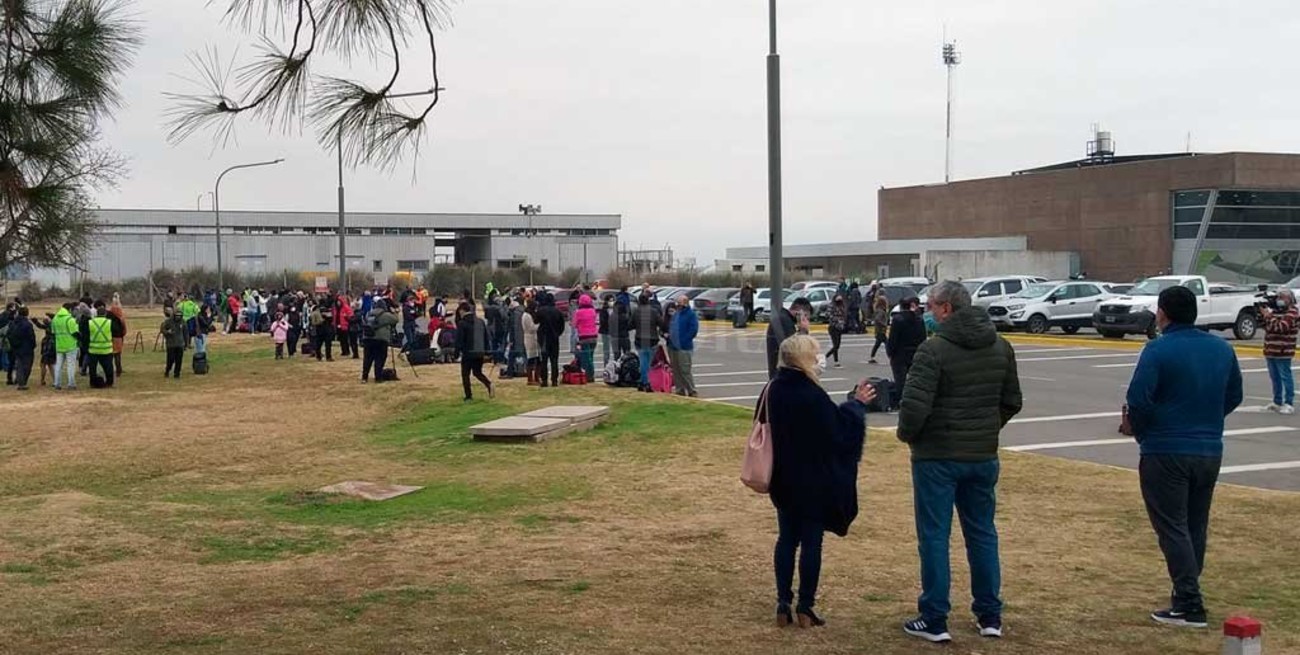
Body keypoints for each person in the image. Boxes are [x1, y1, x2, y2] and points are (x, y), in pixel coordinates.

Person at [896, 280, 1023, 643]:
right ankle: (989, 614)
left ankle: (934, 616)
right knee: (982, 533)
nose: (928, 312)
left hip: (937, 456)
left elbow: (914, 407)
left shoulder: (932, 350)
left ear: (946, 309)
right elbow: (1011, 400)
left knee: (934, 536)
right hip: (981, 455)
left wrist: (909, 435)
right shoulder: (1001, 346)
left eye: (931, 306)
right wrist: (984, 428)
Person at [1125, 285, 1243, 629]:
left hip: (1166, 449)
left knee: (1172, 527)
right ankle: (1185, 594)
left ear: (1164, 313)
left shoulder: (1158, 350)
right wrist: (1208, 420)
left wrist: (1146, 432)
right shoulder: (1221, 349)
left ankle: (1189, 602)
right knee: (1195, 525)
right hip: (1209, 448)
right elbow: (1233, 394)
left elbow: (1139, 400)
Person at [767, 335, 874, 628]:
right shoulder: (812, 395)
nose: (819, 359)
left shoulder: (774, 388)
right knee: (812, 542)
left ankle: (782, 602)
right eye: (815, 354)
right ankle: (805, 605)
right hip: (813, 478)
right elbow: (839, 433)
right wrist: (856, 406)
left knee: (786, 538)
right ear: (804, 359)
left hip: (783, 476)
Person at [1261, 289, 1298, 414]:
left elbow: (1281, 327)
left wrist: (1269, 317)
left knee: (1285, 376)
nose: (1280, 300)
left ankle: (1289, 402)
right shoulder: (1275, 312)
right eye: (1278, 297)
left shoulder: (1293, 312)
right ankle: (1277, 401)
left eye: (1282, 297)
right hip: (1271, 349)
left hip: (1284, 350)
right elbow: (1267, 326)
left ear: (1290, 299)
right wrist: (1264, 316)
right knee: (1274, 378)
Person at [886, 297, 927, 410]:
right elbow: (923, 337)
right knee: (915, 379)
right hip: (915, 353)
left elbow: (893, 339)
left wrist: (890, 352)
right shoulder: (919, 320)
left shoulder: (898, 320)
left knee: (900, 380)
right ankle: (916, 400)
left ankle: (899, 401)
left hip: (900, 354)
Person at [455, 302, 494, 402]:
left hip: (468, 353)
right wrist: (487, 351)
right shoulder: (480, 321)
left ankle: (468, 396)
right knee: (477, 372)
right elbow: (486, 337)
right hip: (479, 351)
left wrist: (456, 353)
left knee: (465, 374)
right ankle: (488, 384)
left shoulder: (462, 323)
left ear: (462, 311)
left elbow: (460, 340)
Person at [766, 297, 813, 378]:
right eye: (805, 316)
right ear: (800, 312)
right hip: (783, 373)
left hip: (779, 371)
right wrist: (804, 330)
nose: (806, 320)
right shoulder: (785, 321)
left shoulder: (783, 318)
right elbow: (796, 348)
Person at [668, 295, 700, 397]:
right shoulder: (676, 314)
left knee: (685, 370)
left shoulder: (691, 315)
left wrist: (684, 340)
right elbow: (672, 326)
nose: (677, 304)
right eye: (677, 302)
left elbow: (693, 330)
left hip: (684, 347)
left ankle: (692, 390)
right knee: (676, 369)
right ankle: (679, 389)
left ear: (685, 303)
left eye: (679, 302)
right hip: (673, 346)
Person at [361, 300, 398, 383]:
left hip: (368, 338)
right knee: (379, 359)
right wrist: (394, 312)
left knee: (367, 359)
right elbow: (395, 320)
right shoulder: (385, 315)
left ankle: (364, 377)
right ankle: (378, 377)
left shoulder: (369, 314)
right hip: (380, 339)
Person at [632, 292, 662, 392]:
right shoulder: (654, 311)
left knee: (643, 362)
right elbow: (661, 323)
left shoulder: (636, 311)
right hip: (652, 339)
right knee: (648, 363)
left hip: (640, 339)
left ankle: (643, 381)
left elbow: (631, 324)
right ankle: (646, 382)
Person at [535, 292, 566, 388]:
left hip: (543, 338)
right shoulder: (558, 311)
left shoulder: (540, 311)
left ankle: (544, 380)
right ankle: (554, 380)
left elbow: (535, 321)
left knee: (544, 360)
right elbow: (562, 326)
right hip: (554, 338)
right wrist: (557, 333)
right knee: (554, 360)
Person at [51, 302, 80, 390]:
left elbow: (53, 332)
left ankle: (57, 383)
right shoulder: (70, 319)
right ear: (70, 310)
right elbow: (75, 333)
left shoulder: (55, 319)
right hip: (70, 345)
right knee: (70, 365)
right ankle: (71, 383)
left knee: (58, 365)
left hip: (59, 345)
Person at [86, 306, 115, 388]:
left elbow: (87, 335)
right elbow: (115, 332)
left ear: (96, 313)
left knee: (92, 368)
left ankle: (92, 382)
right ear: (105, 313)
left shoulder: (90, 322)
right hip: (106, 349)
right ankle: (109, 382)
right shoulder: (109, 322)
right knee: (108, 367)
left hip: (93, 349)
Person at [8, 306, 35, 391]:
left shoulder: (13, 323)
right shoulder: (27, 324)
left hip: (16, 347)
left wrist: (13, 344)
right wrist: (33, 345)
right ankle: (23, 382)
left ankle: (20, 382)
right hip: (27, 347)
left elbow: (9, 334)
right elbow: (31, 337)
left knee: (19, 365)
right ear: (27, 313)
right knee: (27, 366)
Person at [573, 294, 599, 382]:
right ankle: (591, 374)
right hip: (594, 336)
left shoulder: (578, 312)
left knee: (586, 357)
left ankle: (589, 375)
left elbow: (575, 324)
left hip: (584, 336)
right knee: (591, 356)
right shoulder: (593, 311)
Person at [160, 306, 187, 379]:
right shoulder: (168, 321)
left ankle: (177, 373)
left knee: (179, 360)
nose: (178, 317)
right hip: (171, 344)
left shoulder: (183, 322)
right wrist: (167, 332)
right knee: (170, 359)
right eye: (177, 315)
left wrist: (186, 344)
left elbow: (185, 333)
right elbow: (162, 330)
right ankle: (167, 370)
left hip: (180, 344)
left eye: (179, 315)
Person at [825, 294, 848, 369]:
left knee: (837, 345)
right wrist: (836, 319)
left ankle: (836, 361)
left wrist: (843, 321)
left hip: (839, 328)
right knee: (836, 345)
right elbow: (828, 315)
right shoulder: (831, 306)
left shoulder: (842, 306)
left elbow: (844, 315)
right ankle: (825, 357)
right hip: (833, 327)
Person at [868, 294, 889, 364]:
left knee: (877, 344)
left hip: (879, 330)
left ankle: (872, 357)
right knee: (887, 344)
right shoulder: (881, 311)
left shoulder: (879, 310)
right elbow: (877, 319)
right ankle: (890, 356)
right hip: (881, 330)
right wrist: (884, 324)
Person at [108, 297, 127, 377]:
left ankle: (109, 370)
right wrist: (122, 335)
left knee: (109, 355)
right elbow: (124, 329)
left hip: (109, 337)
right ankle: (119, 370)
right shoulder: (121, 318)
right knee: (117, 355)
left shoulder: (108, 317)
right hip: (118, 338)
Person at [522, 301, 540, 383]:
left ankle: (536, 377)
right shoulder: (527, 316)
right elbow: (531, 328)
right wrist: (539, 325)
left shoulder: (528, 315)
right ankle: (530, 378)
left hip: (533, 338)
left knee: (537, 358)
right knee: (531, 359)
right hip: (530, 338)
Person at [598, 296, 613, 367]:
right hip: (605, 331)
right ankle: (606, 364)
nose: (611, 302)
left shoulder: (615, 309)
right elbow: (602, 321)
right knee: (606, 349)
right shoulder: (603, 310)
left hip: (613, 331)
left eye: (612, 300)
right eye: (610, 300)